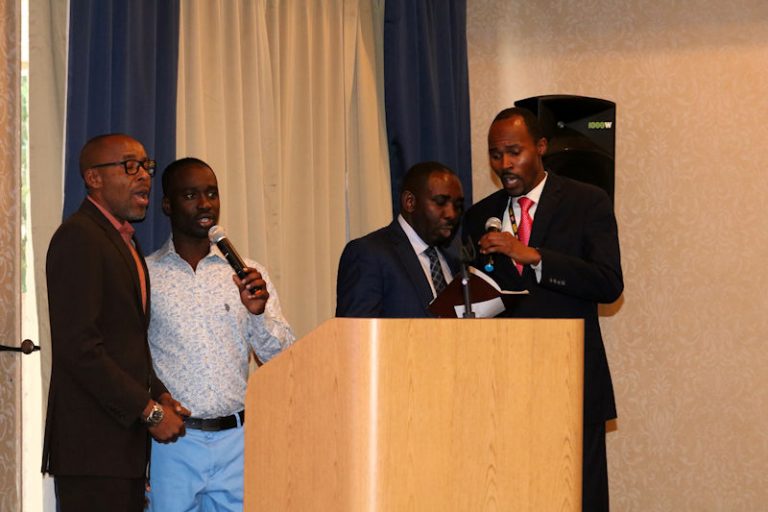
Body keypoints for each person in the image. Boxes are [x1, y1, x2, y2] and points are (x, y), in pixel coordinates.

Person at [462, 107, 623, 512]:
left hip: (572, 380)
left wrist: (534, 257)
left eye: (514, 152)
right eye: (495, 154)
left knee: (580, 498)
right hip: (505, 388)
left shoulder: (587, 202)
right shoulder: (480, 216)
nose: (504, 164)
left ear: (541, 147)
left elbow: (608, 284)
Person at [43, 133, 189, 512]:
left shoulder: (123, 239)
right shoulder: (79, 238)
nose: (144, 176)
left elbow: (126, 341)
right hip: (92, 448)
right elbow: (81, 349)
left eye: (146, 166)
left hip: (120, 447)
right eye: (129, 166)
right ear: (94, 178)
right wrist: (149, 411)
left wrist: (159, 392)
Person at [145, 157, 295, 511]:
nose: (205, 204)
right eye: (190, 195)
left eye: (212, 194)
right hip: (174, 443)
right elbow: (132, 357)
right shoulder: (147, 275)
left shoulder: (249, 273)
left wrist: (257, 313)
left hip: (236, 442)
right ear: (167, 204)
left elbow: (283, 358)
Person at [336, 161, 464, 318]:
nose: (451, 214)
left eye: (458, 205)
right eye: (440, 202)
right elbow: (357, 329)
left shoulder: (456, 260)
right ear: (410, 202)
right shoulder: (368, 254)